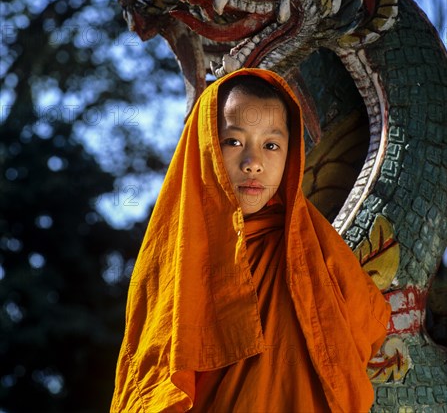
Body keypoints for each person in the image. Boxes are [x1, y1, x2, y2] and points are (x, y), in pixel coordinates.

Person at [110, 68, 390, 413]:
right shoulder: (172, 261)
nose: (253, 163)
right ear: (207, 147)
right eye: (234, 142)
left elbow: (364, 337)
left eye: (271, 145)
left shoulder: (320, 252)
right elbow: (153, 386)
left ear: (292, 154)